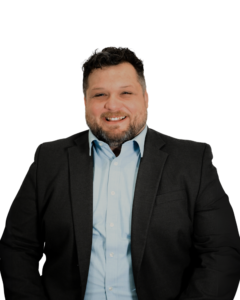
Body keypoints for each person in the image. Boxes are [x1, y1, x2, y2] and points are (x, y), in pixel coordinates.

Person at [0, 47, 240, 300]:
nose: (112, 105)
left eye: (126, 93)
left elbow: (221, 253)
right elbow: (18, 248)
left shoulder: (192, 161)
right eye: (99, 94)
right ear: (85, 102)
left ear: (145, 98)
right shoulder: (50, 159)